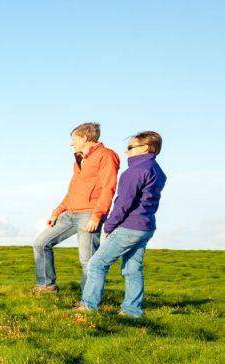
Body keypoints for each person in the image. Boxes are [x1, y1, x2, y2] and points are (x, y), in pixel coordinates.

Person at [77, 131, 167, 317]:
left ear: (144, 148)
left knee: (96, 264)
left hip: (129, 226)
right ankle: (132, 311)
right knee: (132, 268)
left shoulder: (135, 171)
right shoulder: (158, 171)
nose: (126, 152)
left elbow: (124, 202)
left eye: (130, 147)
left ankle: (88, 306)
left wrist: (109, 226)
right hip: (146, 226)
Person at [31, 122, 120, 293]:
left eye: (74, 139)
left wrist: (97, 215)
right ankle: (46, 286)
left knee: (87, 260)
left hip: (89, 214)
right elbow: (73, 191)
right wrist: (57, 211)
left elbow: (109, 187)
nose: (71, 143)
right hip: (70, 213)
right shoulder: (79, 158)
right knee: (40, 244)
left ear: (85, 138)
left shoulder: (106, 156)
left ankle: (88, 300)